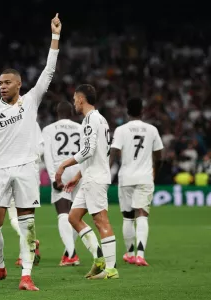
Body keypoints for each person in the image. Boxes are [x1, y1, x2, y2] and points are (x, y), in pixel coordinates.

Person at [0, 13, 62, 291]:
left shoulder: (31, 101)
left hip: (26, 168)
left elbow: (48, 71)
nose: (2, 86)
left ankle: (26, 276)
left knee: (27, 224)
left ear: (18, 84)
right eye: (0, 83)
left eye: (7, 83)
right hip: (0, 169)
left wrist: (55, 36)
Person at [56, 84, 119, 279]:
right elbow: (97, 153)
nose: (74, 102)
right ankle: (98, 258)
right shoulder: (97, 120)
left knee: (101, 220)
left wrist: (64, 165)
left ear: (81, 99)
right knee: (73, 217)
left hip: (96, 178)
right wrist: (77, 176)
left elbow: (88, 151)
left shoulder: (92, 119)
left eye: (75, 99)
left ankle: (111, 269)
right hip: (90, 175)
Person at [109, 97, 163, 266]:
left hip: (126, 177)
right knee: (142, 215)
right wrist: (155, 172)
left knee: (127, 217)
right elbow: (160, 156)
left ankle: (130, 254)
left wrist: (107, 173)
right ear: (142, 111)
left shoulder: (121, 130)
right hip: (145, 177)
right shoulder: (152, 130)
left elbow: (113, 152)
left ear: (127, 111)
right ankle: (140, 255)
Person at [42, 101, 82, 266]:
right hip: (78, 171)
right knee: (76, 215)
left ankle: (71, 254)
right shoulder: (80, 128)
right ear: (72, 113)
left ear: (57, 113)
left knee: (63, 213)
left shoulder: (49, 129)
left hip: (61, 169)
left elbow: (48, 156)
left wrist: (54, 178)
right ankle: (68, 253)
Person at [10, 122, 43, 267]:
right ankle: (23, 255)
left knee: (14, 215)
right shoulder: (33, 123)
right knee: (28, 216)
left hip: (11, 172)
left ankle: (31, 242)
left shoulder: (6, 121)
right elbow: (41, 148)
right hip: (32, 174)